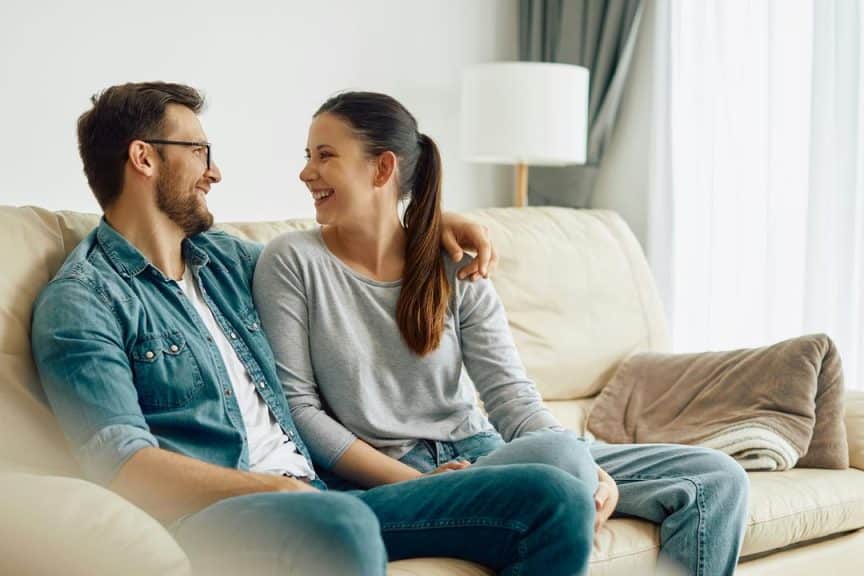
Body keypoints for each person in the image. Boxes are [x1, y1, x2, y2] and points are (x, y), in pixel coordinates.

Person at [31, 81, 595, 576]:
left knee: (554, 498)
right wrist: (275, 487)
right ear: (144, 158)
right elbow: (123, 464)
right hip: (224, 514)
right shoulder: (83, 302)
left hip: (325, 496)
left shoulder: (224, 261)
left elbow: (342, 252)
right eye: (200, 150)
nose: (215, 171)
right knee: (341, 525)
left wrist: (424, 227)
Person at [253, 91, 752, 576]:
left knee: (717, 477)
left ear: (381, 169)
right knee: (560, 461)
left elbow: (511, 395)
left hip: (486, 451)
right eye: (308, 155)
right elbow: (299, 410)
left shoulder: (452, 262)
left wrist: (578, 462)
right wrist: (422, 482)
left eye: (325, 155)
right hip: (393, 473)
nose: (306, 172)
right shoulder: (291, 261)